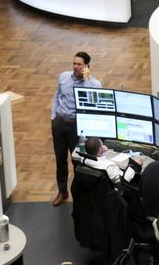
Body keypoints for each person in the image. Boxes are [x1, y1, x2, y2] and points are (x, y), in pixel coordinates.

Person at [51, 51, 101, 206]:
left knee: (77, 161)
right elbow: (56, 96)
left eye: (79, 64)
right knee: (60, 160)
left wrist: (85, 81)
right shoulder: (63, 77)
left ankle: (81, 195)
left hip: (76, 127)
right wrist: (53, 117)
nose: (75, 67)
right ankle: (62, 191)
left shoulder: (94, 84)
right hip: (59, 124)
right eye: (74, 63)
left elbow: (90, 104)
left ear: (87, 66)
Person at [72, 137, 140, 184]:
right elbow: (124, 181)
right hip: (117, 192)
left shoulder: (83, 160)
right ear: (99, 150)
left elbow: (99, 159)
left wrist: (103, 151)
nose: (104, 146)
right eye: (102, 145)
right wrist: (134, 166)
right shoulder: (108, 166)